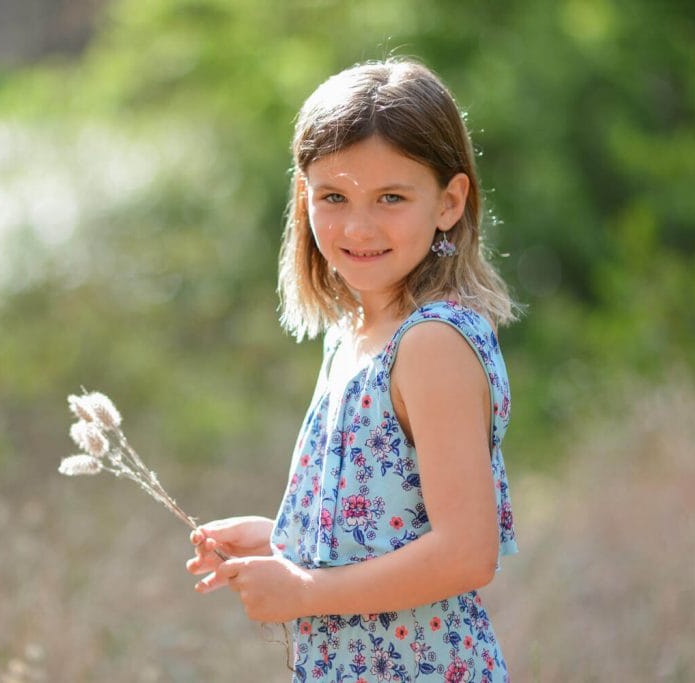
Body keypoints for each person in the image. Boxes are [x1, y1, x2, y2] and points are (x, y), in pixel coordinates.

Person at [186, 57, 520, 682]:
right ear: (304, 197)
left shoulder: (431, 343)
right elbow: (388, 522)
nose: (359, 227)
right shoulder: (352, 334)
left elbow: (466, 554)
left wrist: (304, 591)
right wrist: (285, 542)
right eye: (334, 197)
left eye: (391, 197)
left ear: (449, 202)